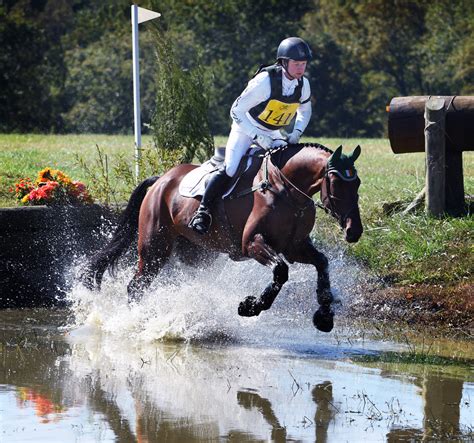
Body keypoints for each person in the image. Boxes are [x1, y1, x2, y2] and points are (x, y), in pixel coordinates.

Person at [189, 37, 313, 235]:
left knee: (286, 166)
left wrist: (296, 132)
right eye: (296, 64)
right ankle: (203, 212)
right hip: (246, 127)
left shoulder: (303, 84)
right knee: (230, 168)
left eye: (303, 64)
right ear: (283, 62)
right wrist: (256, 135)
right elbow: (236, 111)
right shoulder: (264, 81)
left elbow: (304, 111)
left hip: (273, 130)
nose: (301, 69)